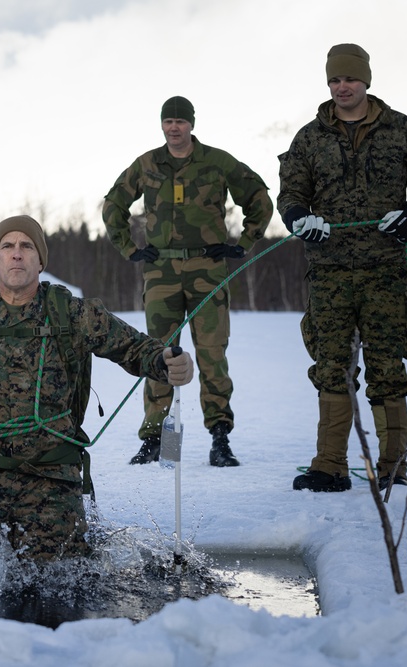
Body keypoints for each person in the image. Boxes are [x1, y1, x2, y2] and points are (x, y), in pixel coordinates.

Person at [0, 215, 194, 565]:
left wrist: (167, 361)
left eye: (27, 246)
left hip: (53, 478)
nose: (17, 254)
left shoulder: (73, 313)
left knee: (67, 575)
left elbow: (137, 349)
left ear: (41, 261)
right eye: (8, 246)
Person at [277, 44, 407, 492]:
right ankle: (330, 466)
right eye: (335, 80)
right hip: (330, 273)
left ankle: (393, 466)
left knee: (387, 368)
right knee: (331, 366)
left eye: (350, 79)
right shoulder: (310, 138)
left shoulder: (400, 130)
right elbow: (291, 194)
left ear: (366, 80)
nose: (342, 87)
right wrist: (300, 220)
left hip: (385, 271)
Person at [103, 96, 273, 467]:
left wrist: (244, 243)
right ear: (162, 125)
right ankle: (158, 442)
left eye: (181, 121)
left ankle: (220, 439)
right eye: (168, 121)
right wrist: (130, 249)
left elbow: (259, 198)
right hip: (161, 271)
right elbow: (113, 204)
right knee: (160, 353)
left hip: (207, 269)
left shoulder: (217, 161)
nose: (174, 128)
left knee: (212, 353)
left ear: (191, 124)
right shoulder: (147, 163)